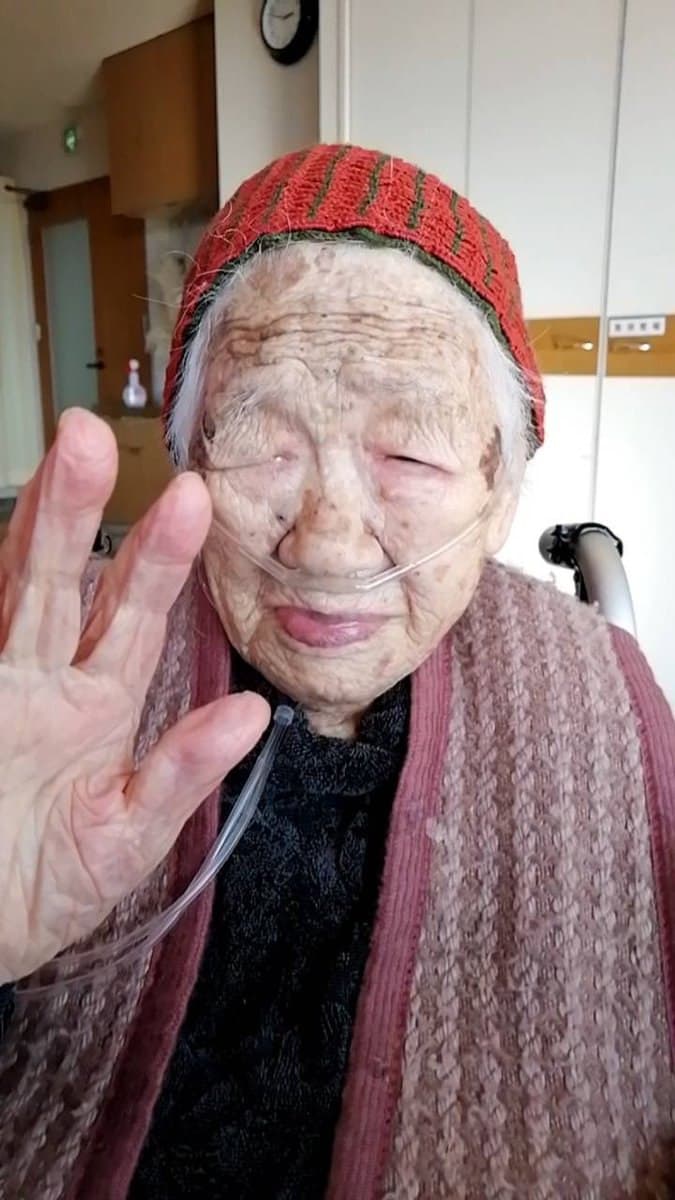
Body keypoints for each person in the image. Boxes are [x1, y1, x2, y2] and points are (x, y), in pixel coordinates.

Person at [1, 144, 674, 1200]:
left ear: (500, 494)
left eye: (407, 455)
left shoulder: (601, 700)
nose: (324, 545)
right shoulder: (46, 672)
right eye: (261, 444)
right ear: (189, 459)